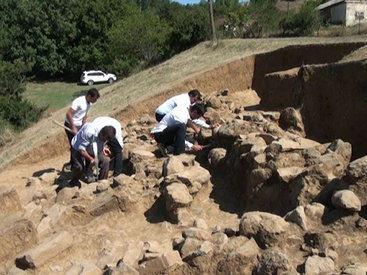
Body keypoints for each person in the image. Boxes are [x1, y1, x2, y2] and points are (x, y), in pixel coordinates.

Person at [151, 103, 217, 156]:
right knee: (182, 128)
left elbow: (195, 120)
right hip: (159, 134)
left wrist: (209, 126)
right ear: (195, 112)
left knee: (191, 140)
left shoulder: (186, 111)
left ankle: (166, 148)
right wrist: (192, 147)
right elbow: (180, 137)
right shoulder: (180, 117)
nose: (198, 118)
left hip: (168, 133)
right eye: (198, 116)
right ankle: (179, 154)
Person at [64, 88, 100, 170]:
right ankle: (74, 165)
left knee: (82, 143)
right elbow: (68, 114)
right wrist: (73, 127)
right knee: (74, 144)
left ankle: (75, 162)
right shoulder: (79, 102)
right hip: (70, 124)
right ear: (89, 96)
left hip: (79, 125)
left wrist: (84, 126)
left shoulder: (89, 103)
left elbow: (85, 115)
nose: (95, 101)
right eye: (94, 99)